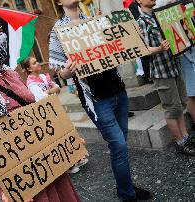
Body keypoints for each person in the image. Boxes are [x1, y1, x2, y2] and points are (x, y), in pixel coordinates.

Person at [0, 13, 81, 202]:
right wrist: (3, 179)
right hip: (23, 182)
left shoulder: (10, 74)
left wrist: (67, 140)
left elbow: (37, 114)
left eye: (0, 31)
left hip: (51, 165)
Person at [49, 1, 152, 201]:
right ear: (59, 2)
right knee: (119, 145)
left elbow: (118, 45)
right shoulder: (57, 30)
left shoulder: (95, 19)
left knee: (120, 144)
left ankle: (125, 187)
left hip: (118, 90)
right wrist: (68, 71)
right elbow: (60, 71)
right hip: (97, 99)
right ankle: (127, 195)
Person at [136, 0, 195, 155]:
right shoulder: (141, 22)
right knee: (171, 109)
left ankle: (186, 137)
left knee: (180, 104)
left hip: (174, 66)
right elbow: (142, 50)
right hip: (161, 72)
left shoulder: (161, 15)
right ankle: (180, 142)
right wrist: (159, 48)